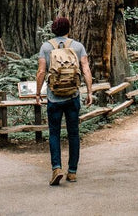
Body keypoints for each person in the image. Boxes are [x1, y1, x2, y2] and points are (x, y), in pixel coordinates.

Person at [35, 16, 94, 186]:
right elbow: (86, 69)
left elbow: (41, 72)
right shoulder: (77, 46)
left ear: (53, 29)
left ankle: (56, 168)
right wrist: (89, 91)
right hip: (72, 96)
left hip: (54, 98)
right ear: (69, 29)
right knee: (73, 133)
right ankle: (73, 172)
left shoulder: (46, 47)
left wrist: (38, 94)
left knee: (54, 133)